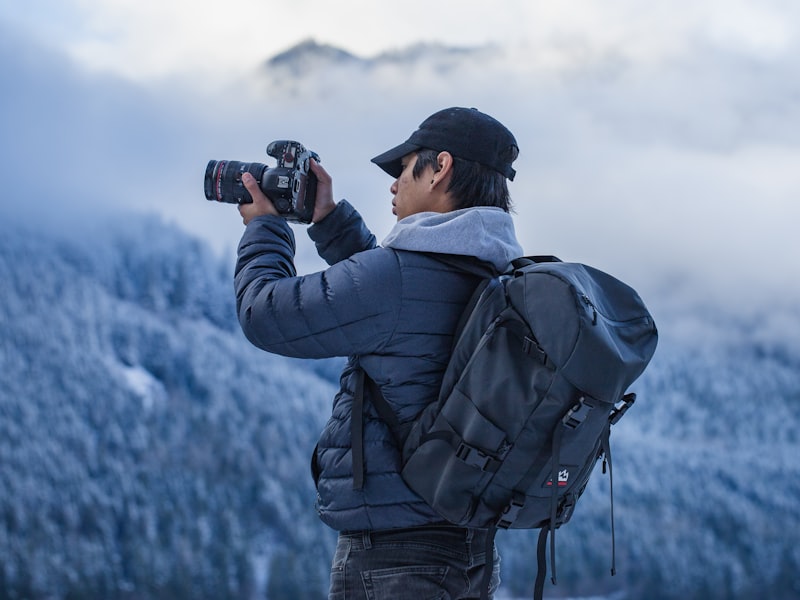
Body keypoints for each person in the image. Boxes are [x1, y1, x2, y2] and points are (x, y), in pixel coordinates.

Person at [234, 107, 523, 599]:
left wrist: (267, 226)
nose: (393, 185)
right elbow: (393, 301)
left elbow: (264, 315)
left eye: (404, 168)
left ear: (440, 168)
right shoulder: (497, 272)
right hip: (470, 552)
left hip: (394, 562)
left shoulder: (398, 280)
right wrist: (326, 219)